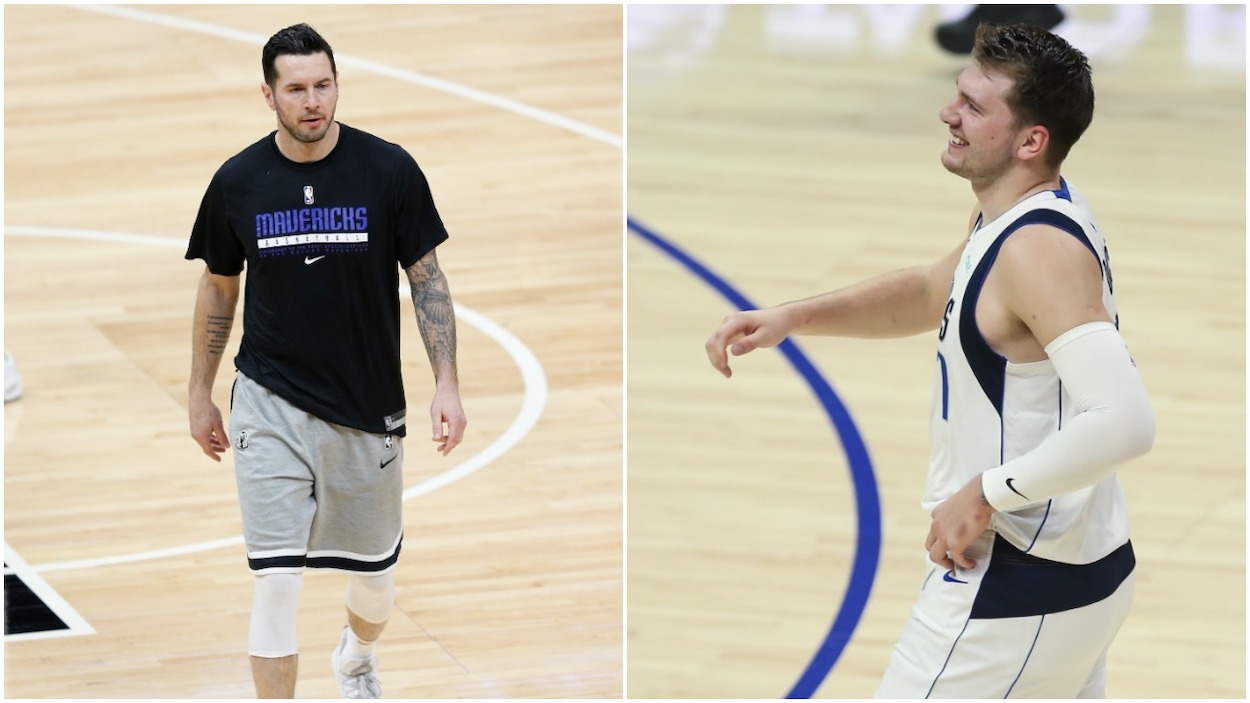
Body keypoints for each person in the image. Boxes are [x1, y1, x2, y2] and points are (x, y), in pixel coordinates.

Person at [706, 24, 1154, 698]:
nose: (949, 113)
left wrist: (983, 493)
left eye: (975, 107)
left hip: (1016, 586)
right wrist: (794, 318)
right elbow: (928, 292)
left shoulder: (1039, 251)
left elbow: (1125, 421)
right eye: (958, 96)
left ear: (1032, 141)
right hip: (1065, 576)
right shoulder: (1019, 215)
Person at [186, 23, 466, 699]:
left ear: (337, 84)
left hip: (367, 409)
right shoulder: (239, 181)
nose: (312, 101)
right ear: (268, 95)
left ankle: (358, 656)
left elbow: (427, 278)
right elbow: (219, 285)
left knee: (374, 581)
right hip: (269, 401)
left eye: (323, 85)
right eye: (296, 89)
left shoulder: (388, 169)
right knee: (276, 582)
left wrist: (448, 384)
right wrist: (199, 389)